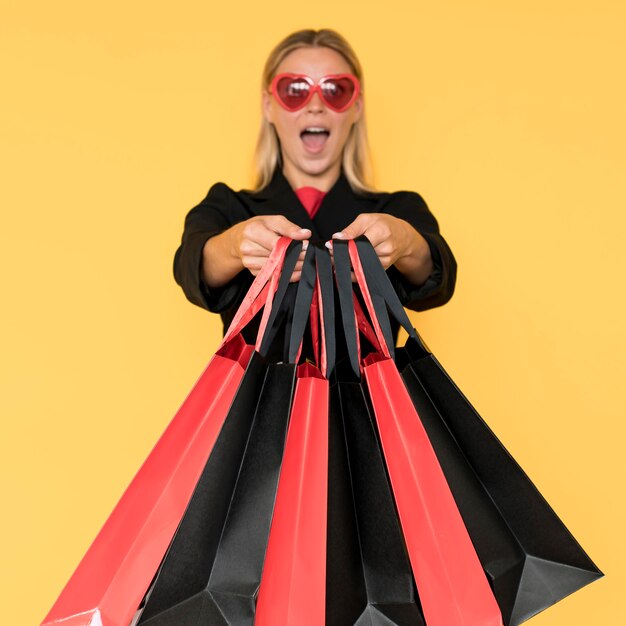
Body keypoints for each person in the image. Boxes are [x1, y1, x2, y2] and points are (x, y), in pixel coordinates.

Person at [173, 28, 457, 354]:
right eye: (295, 90)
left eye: (335, 90)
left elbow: (439, 279)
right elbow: (191, 267)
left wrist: (405, 243)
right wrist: (235, 246)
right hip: (263, 404)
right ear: (269, 106)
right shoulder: (229, 206)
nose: (316, 105)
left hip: (364, 405)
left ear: (357, 107)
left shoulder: (396, 210)